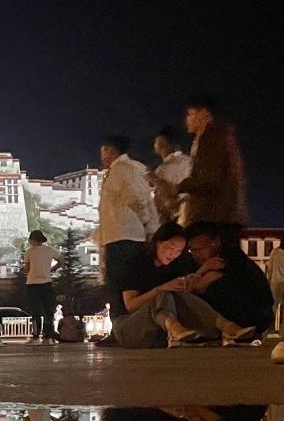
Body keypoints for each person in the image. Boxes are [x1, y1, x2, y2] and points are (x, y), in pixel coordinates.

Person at [111, 223, 254, 349]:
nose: (173, 254)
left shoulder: (173, 268)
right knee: (163, 294)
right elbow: (130, 306)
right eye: (170, 247)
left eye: (179, 251)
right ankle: (175, 328)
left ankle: (226, 326)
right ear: (157, 242)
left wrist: (199, 272)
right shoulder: (136, 265)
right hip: (127, 327)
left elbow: (185, 295)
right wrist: (160, 289)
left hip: (157, 330)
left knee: (178, 293)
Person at [159, 97, 249, 234]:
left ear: (204, 114)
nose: (186, 120)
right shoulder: (216, 136)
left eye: (190, 114)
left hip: (214, 217)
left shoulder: (213, 138)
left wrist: (177, 187)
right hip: (221, 216)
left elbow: (208, 179)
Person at [97, 135, 160, 319]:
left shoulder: (123, 169)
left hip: (124, 236)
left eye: (103, 151)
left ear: (110, 150)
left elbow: (139, 199)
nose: (102, 156)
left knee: (122, 284)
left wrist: (148, 227)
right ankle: (119, 326)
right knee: (116, 283)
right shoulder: (120, 170)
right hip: (117, 235)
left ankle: (123, 325)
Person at [183, 221, 273, 336]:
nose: (196, 254)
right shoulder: (196, 262)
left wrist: (195, 282)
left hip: (253, 313)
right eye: (192, 250)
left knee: (216, 288)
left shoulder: (231, 258)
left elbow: (197, 289)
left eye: (201, 249)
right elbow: (188, 289)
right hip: (239, 312)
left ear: (216, 242)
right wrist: (201, 271)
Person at [24, 230, 61, 343]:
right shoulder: (50, 250)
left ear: (33, 240)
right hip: (46, 283)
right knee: (48, 310)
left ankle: (35, 336)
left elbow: (27, 268)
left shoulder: (29, 252)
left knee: (35, 311)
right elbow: (62, 261)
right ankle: (48, 336)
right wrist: (51, 270)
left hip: (32, 283)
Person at [152, 126, 193, 224]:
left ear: (161, 144)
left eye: (156, 142)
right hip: (189, 211)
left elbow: (162, 195)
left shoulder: (163, 169)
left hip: (172, 215)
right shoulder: (189, 161)